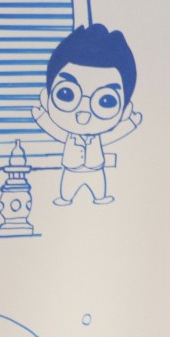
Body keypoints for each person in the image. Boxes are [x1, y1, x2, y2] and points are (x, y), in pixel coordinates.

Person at [30, 22, 142, 205]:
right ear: (46, 98)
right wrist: (41, 117)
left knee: (98, 186)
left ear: (124, 111)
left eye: (105, 101)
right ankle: (66, 198)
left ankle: (100, 197)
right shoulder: (69, 135)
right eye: (66, 94)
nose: (84, 113)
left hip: (95, 168)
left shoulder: (98, 137)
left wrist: (131, 123)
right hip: (71, 169)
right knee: (67, 188)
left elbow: (114, 135)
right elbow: (55, 131)